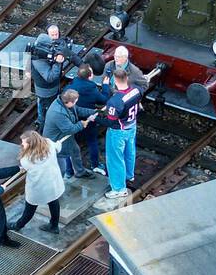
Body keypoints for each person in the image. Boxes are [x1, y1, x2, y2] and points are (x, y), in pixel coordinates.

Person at [11, 129, 65, 235]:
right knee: (53, 202)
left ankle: (18, 225)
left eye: (24, 142)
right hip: (53, 183)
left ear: (31, 144)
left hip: (38, 188)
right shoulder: (49, 143)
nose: (22, 144)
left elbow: (25, 168)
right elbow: (58, 147)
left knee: (30, 207)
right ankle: (54, 225)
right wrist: (58, 144)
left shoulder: (26, 160)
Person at [102, 69, 143, 200]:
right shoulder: (136, 90)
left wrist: (94, 119)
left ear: (114, 80)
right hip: (131, 127)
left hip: (118, 132)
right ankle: (129, 175)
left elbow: (110, 121)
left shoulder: (115, 102)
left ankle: (119, 189)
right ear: (127, 78)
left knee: (115, 159)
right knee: (130, 152)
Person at [41, 88, 96, 179]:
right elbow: (70, 129)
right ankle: (62, 178)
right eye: (75, 102)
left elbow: (77, 110)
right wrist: (81, 124)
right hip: (55, 141)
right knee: (61, 160)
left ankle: (79, 172)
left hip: (65, 137)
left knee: (75, 150)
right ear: (68, 102)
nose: (75, 103)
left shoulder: (64, 103)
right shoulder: (58, 113)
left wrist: (93, 112)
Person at [67, 63, 109, 174]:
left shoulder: (70, 87)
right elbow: (103, 99)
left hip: (73, 120)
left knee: (69, 142)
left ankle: (69, 170)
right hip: (88, 119)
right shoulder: (92, 89)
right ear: (90, 76)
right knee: (92, 141)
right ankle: (95, 164)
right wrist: (105, 85)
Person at [29, 24, 68, 127]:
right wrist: (58, 63)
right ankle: (44, 124)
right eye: (52, 35)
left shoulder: (41, 50)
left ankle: (42, 121)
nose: (55, 37)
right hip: (46, 90)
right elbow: (50, 77)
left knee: (41, 104)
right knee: (46, 106)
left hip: (48, 88)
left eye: (56, 34)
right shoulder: (38, 59)